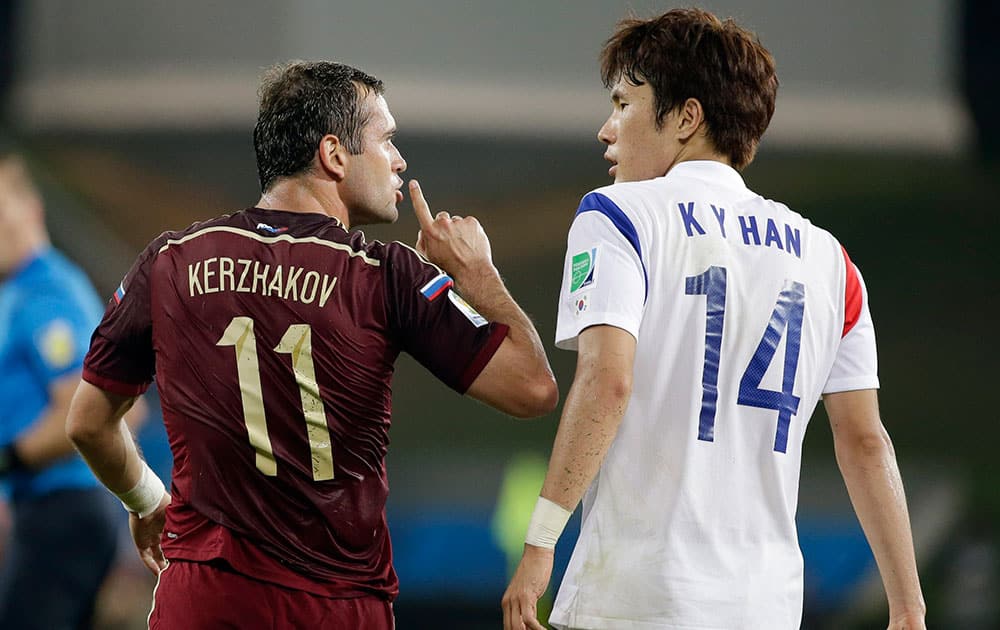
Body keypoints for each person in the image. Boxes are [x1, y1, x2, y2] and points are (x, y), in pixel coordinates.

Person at [66, 60, 558, 628]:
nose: (399, 161)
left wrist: (147, 501)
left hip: (204, 599)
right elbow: (533, 388)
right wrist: (480, 275)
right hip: (334, 604)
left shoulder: (171, 259)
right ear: (334, 155)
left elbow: (88, 423)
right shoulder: (384, 274)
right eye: (387, 140)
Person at [502, 9, 926, 630]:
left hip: (638, 597)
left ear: (686, 117)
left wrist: (541, 543)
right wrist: (908, 609)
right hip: (767, 605)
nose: (607, 129)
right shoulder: (833, 262)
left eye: (624, 103)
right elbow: (864, 441)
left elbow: (607, 383)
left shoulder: (619, 215)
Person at [0, 147, 145, 629]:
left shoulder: (47, 294)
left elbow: (89, 409)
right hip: (53, 510)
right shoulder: (21, 293)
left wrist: (8, 458)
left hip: (64, 509)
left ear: (32, 208)